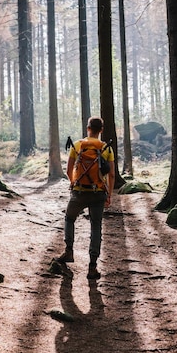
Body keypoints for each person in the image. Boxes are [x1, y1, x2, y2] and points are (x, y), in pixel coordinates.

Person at [57, 116, 115, 280]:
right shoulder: (106, 148)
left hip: (79, 192)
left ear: (88, 128)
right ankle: (92, 267)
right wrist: (109, 195)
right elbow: (111, 174)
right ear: (101, 130)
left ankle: (69, 250)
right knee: (96, 227)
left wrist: (73, 182)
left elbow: (69, 170)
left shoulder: (77, 145)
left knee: (69, 218)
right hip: (98, 193)